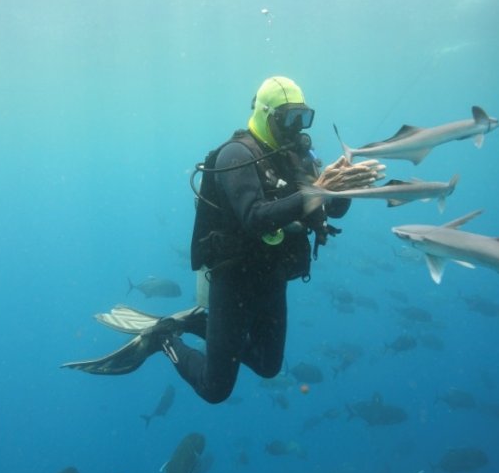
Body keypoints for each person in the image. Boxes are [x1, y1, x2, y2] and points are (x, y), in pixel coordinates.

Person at [61, 77, 384, 404]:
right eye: (286, 118)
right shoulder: (235, 155)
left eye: (302, 118)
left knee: (268, 366)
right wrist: (317, 190)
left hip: (273, 277)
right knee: (215, 389)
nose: (295, 128)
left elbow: (330, 211)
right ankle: (164, 339)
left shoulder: (297, 156)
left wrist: (342, 188)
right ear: (265, 114)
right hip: (234, 281)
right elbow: (255, 217)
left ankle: (200, 322)